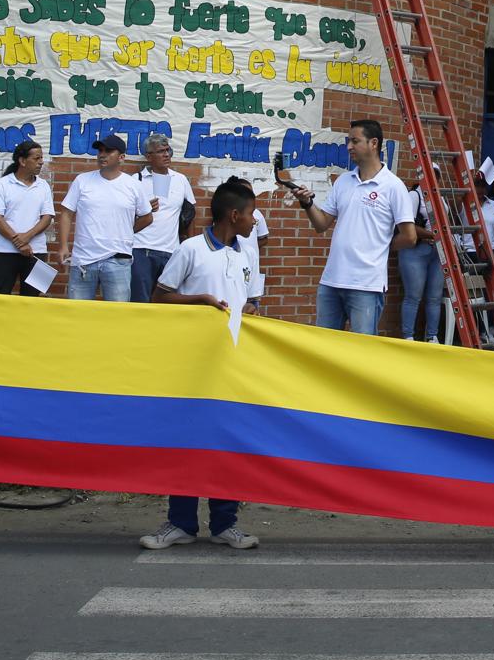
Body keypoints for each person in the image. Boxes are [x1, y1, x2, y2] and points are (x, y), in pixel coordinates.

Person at [140, 180, 263, 551]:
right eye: (252, 214)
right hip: (191, 366)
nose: (255, 221)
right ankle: (180, 523)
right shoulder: (190, 249)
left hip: (232, 365)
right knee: (189, 442)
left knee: (228, 446)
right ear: (234, 214)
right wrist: (200, 301)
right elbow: (158, 299)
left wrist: (251, 310)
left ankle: (225, 524)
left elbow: (249, 303)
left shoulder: (246, 255)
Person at [286, 119, 416, 334]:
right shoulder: (343, 181)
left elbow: (410, 237)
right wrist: (307, 203)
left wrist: (381, 246)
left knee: (361, 353)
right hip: (331, 282)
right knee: (324, 349)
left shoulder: (393, 186)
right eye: (348, 141)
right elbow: (322, 224)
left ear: (373, 143)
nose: (349, 146)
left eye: (355, 141)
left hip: (366, 285)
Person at [56, 135, 155, 302]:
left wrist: (126, 231)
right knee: (77, 316)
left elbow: (147, 217)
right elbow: (66, 213)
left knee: (116, 319)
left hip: (118, 261)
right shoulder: (82, 180)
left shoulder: (133, 185)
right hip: (83, 261)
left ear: (121, 157)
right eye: (100, 151)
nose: (102, 154)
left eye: (108, 151)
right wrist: (63, 246)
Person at [130, 133, 199, 303]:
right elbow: (122, 218)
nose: (166, 154)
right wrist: (144, 210)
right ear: (148, 156)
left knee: (167, 302)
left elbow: (190, 214)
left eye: (167, 150)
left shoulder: (180, 179)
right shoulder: (135, 181)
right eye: (161, 151)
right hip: (141, 250)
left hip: (171, 252)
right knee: (140, 301)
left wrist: (189, 245)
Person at [0, 140, 55, 296]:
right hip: (4, 252)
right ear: (22, 161)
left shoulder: (44, 185)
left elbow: (47, 217)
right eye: (36, 158)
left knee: (34, 298)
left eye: (41, 158)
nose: (41, 162)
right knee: (0, 296)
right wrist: (19, 243)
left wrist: (26, 238)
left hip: (37, 251)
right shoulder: (2, 184)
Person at [398, 189, 445, 342]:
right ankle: (408, 336)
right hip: (415, 249)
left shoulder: (440, 196)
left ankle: (432, 336)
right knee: (413, 295)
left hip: (436, 250)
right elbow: (406, 225)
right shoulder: (415, 195)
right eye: (433, 174)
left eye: (437, 175)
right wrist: (431, 234)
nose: (436, 178)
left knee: (435, 297)